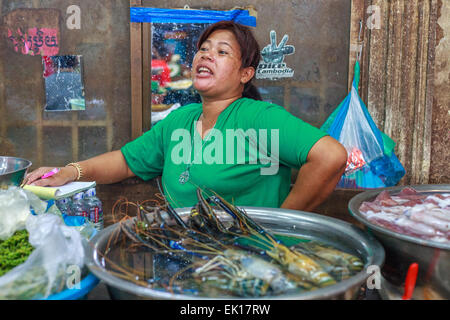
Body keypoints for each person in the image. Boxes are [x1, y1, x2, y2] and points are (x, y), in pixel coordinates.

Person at [25, 21, 347, 212]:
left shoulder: (258, 118)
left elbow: (330, 157)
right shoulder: (180, 121)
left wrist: (280, 226)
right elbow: (125, 161)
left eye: (222, 52)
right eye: (203, 49)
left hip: (249, 268)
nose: (206, 55)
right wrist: (70, 172)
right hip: (187, 260)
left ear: (245, 74)